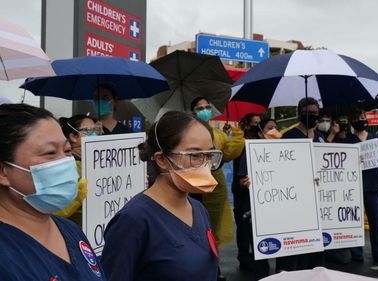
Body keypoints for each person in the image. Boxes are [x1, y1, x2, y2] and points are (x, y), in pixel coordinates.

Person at [101, 111, 220, 281]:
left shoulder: (199, 209)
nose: (205, 164)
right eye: (194, 155)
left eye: (209, 155)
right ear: (162, 160)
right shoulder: (134, 220)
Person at [0, 103, 105, 280]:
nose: (64, 162)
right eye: (50, 153)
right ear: (3, 171)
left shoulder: (70, 230)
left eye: (67, 151)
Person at [191, 97, 245, 281]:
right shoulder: (188, 132)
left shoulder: (218, 134)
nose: (205, 110)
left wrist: (237, 134)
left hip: (217, 187)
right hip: (194, 187)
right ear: (193, 112)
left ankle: (215, 268)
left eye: (207, 107)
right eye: (200, 108)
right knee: (198, 229)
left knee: (215, 230)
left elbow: (230, 153)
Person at [276, 97, 326, 272]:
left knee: (314, 250)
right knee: (294, 250)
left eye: (315, 113)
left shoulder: (321, 137)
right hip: (296, 201)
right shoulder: (289, 136)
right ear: (299, 113)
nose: (312, 116)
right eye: (308, 113)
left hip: (317, 202)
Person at [344, 108, 378, 265]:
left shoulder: (375, 138)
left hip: (373, 186)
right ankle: (356, 254)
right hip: (354, 187)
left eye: (363, 117)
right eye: (358, 118)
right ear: (352, 122)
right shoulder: (348, 141)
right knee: (354, 221)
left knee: (376, 222)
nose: (361, 120)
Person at [236, 117, 281, 280]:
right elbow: (242, 179)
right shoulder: (250, 150)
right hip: (258, 209)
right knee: (262, 249)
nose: (274, 131)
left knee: (283, 247)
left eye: (276, 128)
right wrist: (245, 182)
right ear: (261, 132)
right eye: (269, 128)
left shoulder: (286, 152)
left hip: (281, 208)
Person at [56, 115, 102, 226]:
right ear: (73, 137)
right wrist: (76, 198)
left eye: (95, 130)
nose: (94, 134)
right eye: (88, 130)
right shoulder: (68, 167)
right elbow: (57, 210)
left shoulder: (94, 164)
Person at [232, 113, 261, 272]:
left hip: (259, 191)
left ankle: (256, 256)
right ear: (247, 124)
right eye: (254, 123)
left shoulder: (262, 140)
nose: (257, 125)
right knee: (243, 227)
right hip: (242, 191)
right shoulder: (241, 142)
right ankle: (244, 257)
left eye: (259, 123)